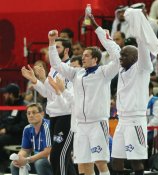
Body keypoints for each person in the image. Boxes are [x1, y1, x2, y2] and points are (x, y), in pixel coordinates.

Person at [47, 11, 121, 175]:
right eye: (83, 55)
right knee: (83, 165)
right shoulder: (77, 73)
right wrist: (52, 43)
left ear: (95, 59)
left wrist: (97, 29)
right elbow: (57, 64)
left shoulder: (104, 72)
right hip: (80, 125)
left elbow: (117, 57)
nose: (83, 57)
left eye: (87, 56)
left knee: (100, 163)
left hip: (97, 123)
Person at [111, 8, 158, 175]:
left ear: (134, 58)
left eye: (124, 55)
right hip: (122, 120)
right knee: (116, 161)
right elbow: (112, 48)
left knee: (135, 161)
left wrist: (138, 30)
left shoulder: (142, 68)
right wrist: (97, 28)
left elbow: (143, 49)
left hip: (136, 121)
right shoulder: (122, 69)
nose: (120, 57)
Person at [21, 37, 77, 175]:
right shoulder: (53, 69)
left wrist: (45, 79)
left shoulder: (71, 68)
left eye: (57, 47)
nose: (54, 50)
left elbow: (67, 96)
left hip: (67, 116)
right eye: (54, 47)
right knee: (60, 158)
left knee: (58, 156)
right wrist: (35, 80)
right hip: (54, 115)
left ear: (66, 50)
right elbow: (48, 94)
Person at [10, 103, 52, 175]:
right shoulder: (27, 129)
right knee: (14, 165)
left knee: (40, 163)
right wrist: (19, 158)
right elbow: (25, 150)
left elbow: (47, 152)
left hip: (51, 160)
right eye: (28, 113)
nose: (31, 115)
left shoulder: (47, 126)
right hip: (35, 159)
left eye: (34, 112)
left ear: (42, 114)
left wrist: (27, 160)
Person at [0, 83, 27, 171]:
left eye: (6, 93)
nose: (4, 95)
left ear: (11, 94)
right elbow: (3, 121)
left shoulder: (23, 106)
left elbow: (23, 126)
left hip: (18, 137)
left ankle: (4, 166)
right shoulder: (9, 107)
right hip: (7, 135)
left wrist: (7, 129)